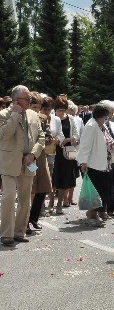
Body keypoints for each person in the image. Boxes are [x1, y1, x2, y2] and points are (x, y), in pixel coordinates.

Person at [0, 85, 45, 246]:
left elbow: (41, 137)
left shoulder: (34, 115)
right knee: (9, 196)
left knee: (25, 199)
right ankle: (6, 234)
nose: (30, 101)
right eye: (27, 99)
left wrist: (33, 154)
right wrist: (15, 115)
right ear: (16, 100)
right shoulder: (4, 114)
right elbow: (4, 136)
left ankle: (19, 232)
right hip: (9, 163)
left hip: (28, 162)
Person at [77, 104, 114, 226]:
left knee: (104, 190)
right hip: (94, 164)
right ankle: (91, 215)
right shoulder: (91, 126)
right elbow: (85, 145)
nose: (107, 119)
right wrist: (83, 162)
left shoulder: (102, 126)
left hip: (105, 164)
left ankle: (95, 214)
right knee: (95, 191)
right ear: (101, 116)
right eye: (106, 116)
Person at [27, 92, 53, 234]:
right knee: (30, 189)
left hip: (41, 159)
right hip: (28, 159)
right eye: (34, 106)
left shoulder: (43, 119)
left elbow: (49, 138)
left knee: (43, 188)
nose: (36, 110)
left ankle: (34, 219)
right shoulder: (24, 118)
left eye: (38, 107)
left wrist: (43, 136)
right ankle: (25, 222)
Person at [50, 95, 79, 215]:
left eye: (63, 110)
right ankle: (51, 203)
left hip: (68, 151)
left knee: (66, 178)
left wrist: (70, 139)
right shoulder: (52, 119)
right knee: (53, 178)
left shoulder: (71, 118)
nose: (61, 113)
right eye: (59, 110)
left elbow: (76, 135)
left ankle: (60, 204)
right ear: (55, 110)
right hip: (54, 151)